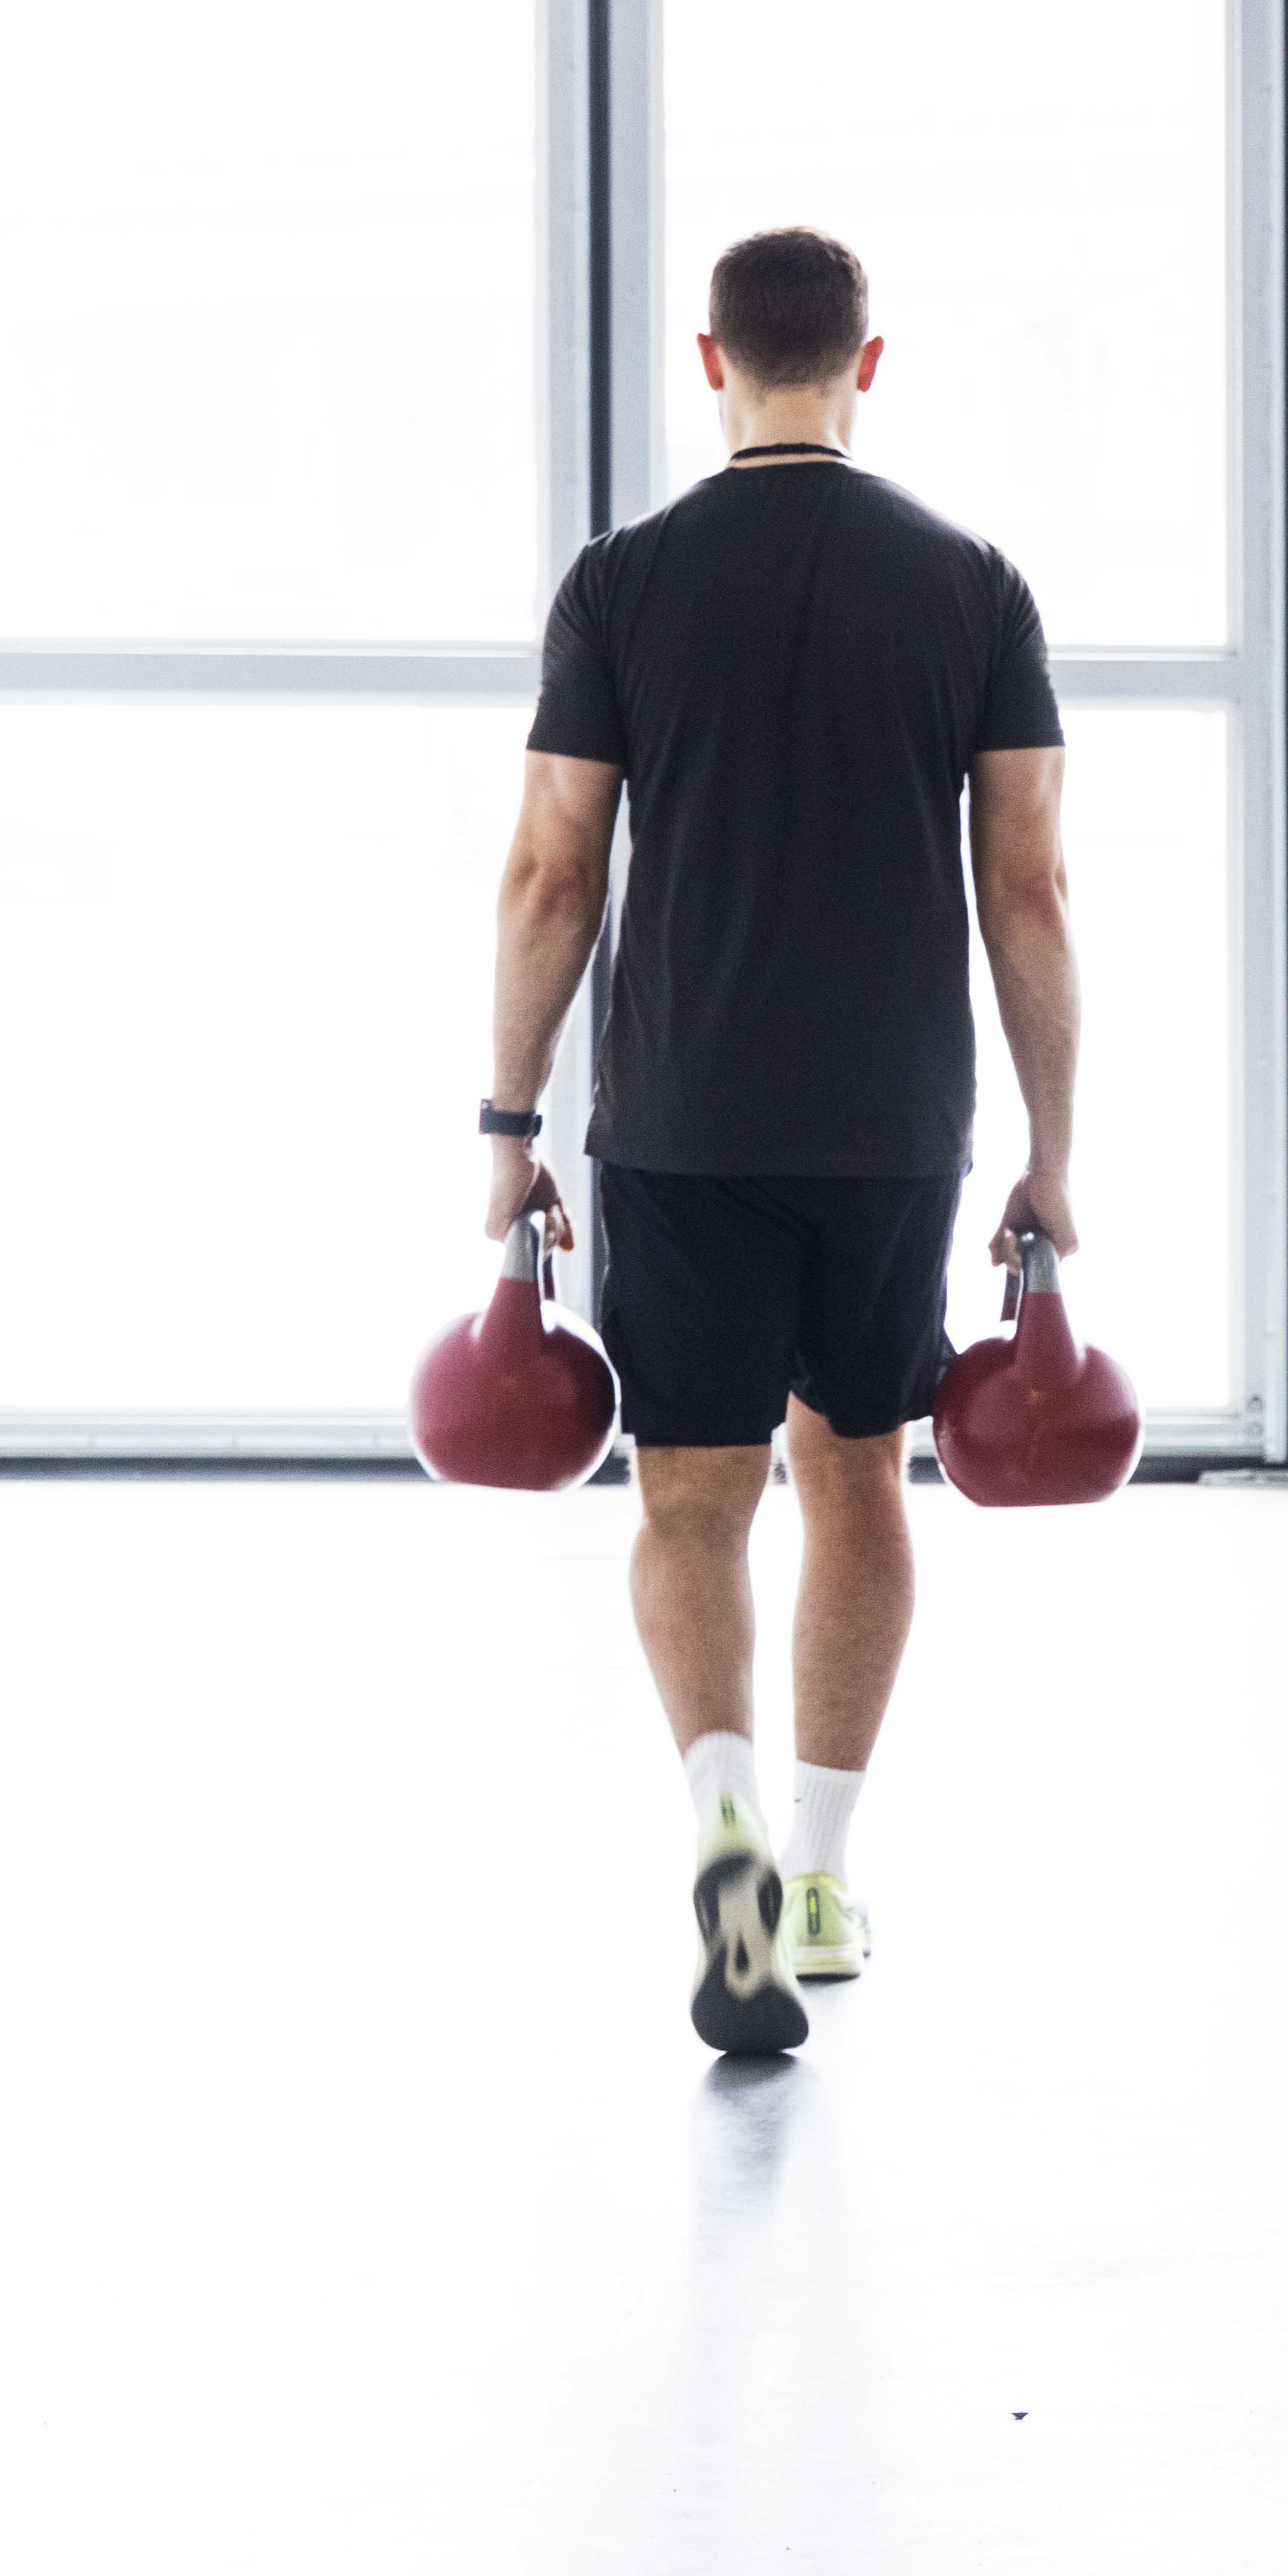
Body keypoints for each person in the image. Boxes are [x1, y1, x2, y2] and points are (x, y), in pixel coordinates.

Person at [478, 225, 1081, 2058]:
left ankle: (725, 1835)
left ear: (710, 359)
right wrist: (1052, 1153)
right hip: (891, 1120)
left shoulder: (623, 583)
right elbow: (1031, 889)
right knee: (859, 1476)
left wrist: (509, 1123)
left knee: (689, 1495)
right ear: (867, 364)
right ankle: (817, 1877)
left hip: (680, 1116)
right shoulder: (972, 585)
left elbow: (553, 873)